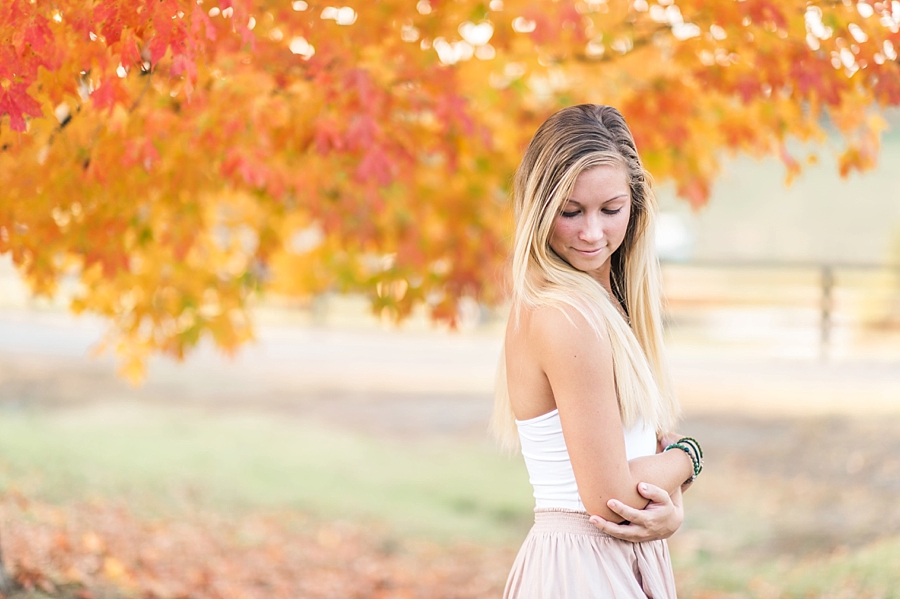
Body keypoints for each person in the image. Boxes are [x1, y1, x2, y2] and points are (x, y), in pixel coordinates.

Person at [492, 104, 703, 599]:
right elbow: (611, 498)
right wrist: (689, 456)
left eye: (611, 210)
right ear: (540, 210)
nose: (592, 233)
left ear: (636, 206)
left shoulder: (607, 305)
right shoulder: (567, 316)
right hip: (583, 568)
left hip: (608, 560)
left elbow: (635, 462)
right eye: (571, 212)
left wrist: (669, 504)